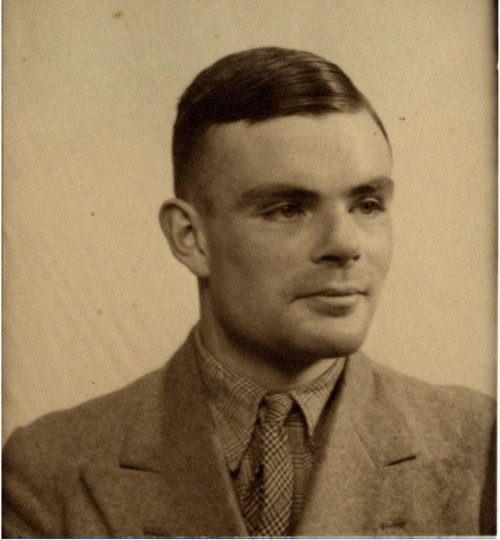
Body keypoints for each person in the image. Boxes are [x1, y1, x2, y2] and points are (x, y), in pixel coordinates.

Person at [3, 47, 495, 538]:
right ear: (190, 239)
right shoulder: (51, 470)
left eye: (367, 204)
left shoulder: (481, 446)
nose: (345, 244)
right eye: (288, 209)